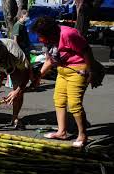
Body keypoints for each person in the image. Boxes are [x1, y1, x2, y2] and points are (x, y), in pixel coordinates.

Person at [31, 17, 96, 147]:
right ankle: (62, 132)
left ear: (50, 33)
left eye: (41, 35)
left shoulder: (68, 34)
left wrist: (91, 71)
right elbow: (49, 60)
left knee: (74, 104)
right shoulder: (49, 42)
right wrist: (38, 77)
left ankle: (82, 135)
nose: (39, 38)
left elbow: (86, 50)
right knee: (59, 100)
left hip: (78, 70)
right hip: (62, 70)